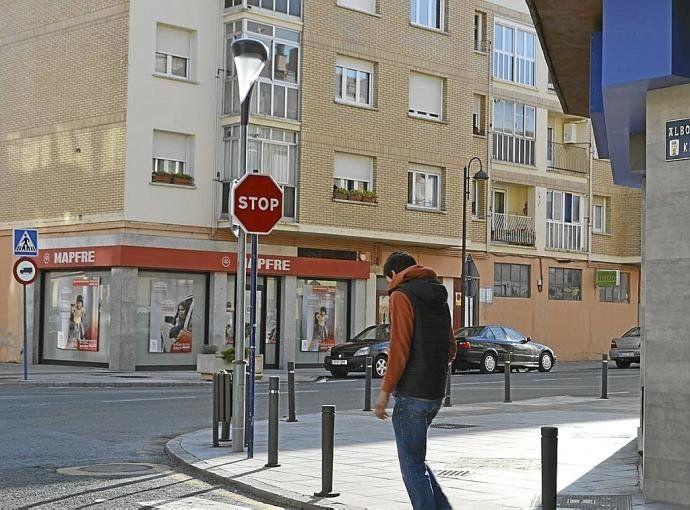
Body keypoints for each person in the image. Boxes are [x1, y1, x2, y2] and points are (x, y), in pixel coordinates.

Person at [375, 252, 457, 510]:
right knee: (417, 462)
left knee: (411, 466)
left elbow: (399, 347)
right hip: (435, 392)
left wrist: (384, 392)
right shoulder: (438, 294)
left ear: (393, 274)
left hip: (412, 394)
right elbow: (451, 347)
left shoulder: (401, 295)